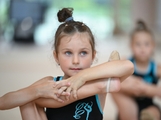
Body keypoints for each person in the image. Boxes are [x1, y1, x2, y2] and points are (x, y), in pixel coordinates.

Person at [0, 8, 134, 120]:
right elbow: (3, 102)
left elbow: (128, 67)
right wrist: (37, 91)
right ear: (56, 56)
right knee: (26, 100)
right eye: (68, 53)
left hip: (95, 83)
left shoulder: (96, 84)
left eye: (83, 53)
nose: (76, 61)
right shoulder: (50, 83)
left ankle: (110, 65)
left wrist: (81, 77)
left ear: (93, 55)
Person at [111, 20, 161, 120]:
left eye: (146, 44)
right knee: (117, 83)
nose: (142, 48)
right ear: (131, 46)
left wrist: (148, 88)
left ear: (153, 46)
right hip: (128, 104)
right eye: (138, 44)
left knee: (154, 111)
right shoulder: (127, 63)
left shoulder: (157, 68)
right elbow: (113, 84)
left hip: (148, 105)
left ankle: (148, 116)